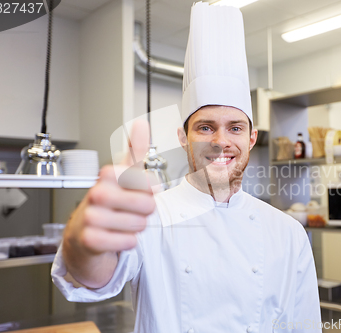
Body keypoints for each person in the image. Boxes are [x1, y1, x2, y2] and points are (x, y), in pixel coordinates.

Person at [52, 2, 322, 332]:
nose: (221, 141)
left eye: (235, 128)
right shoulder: (149, 217)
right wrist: (83, 244)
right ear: (183, 137)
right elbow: (91, 280)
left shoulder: (288, 232)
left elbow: (304, 324)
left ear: (252, 138)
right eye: (205, 127)